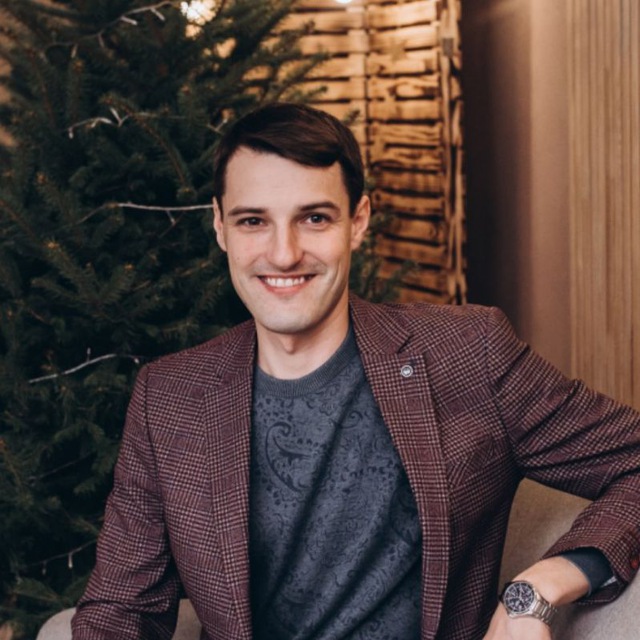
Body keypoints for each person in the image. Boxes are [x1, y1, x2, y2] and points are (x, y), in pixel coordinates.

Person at [71, 103, 640, 640]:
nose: (284, 253)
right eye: (253, 221)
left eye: (314, 218)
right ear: (220, 226)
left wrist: (541, 585)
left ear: (358, 221)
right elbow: (121, 610)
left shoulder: (467, 352)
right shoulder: (169, 398)